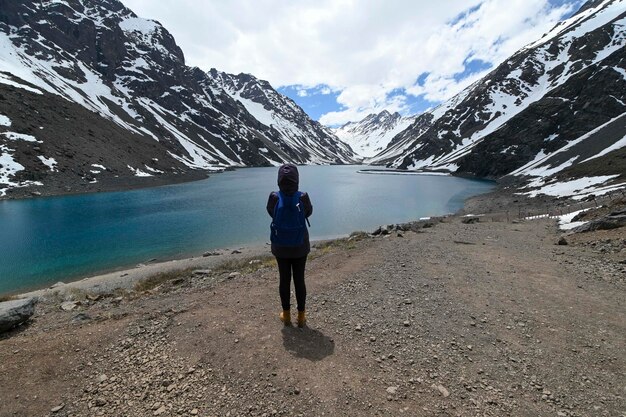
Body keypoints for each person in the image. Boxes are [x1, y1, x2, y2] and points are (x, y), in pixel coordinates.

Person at [266, 164, 313, 328]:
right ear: (297, 180)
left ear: (279, 180)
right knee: (299, 280)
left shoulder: (274, 196)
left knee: (284, 280)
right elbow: (308, 212)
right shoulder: (303, 196)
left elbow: (271, 212)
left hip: (280, 246)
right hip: (300, 245)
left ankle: (286, 316)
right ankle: (301, 317)